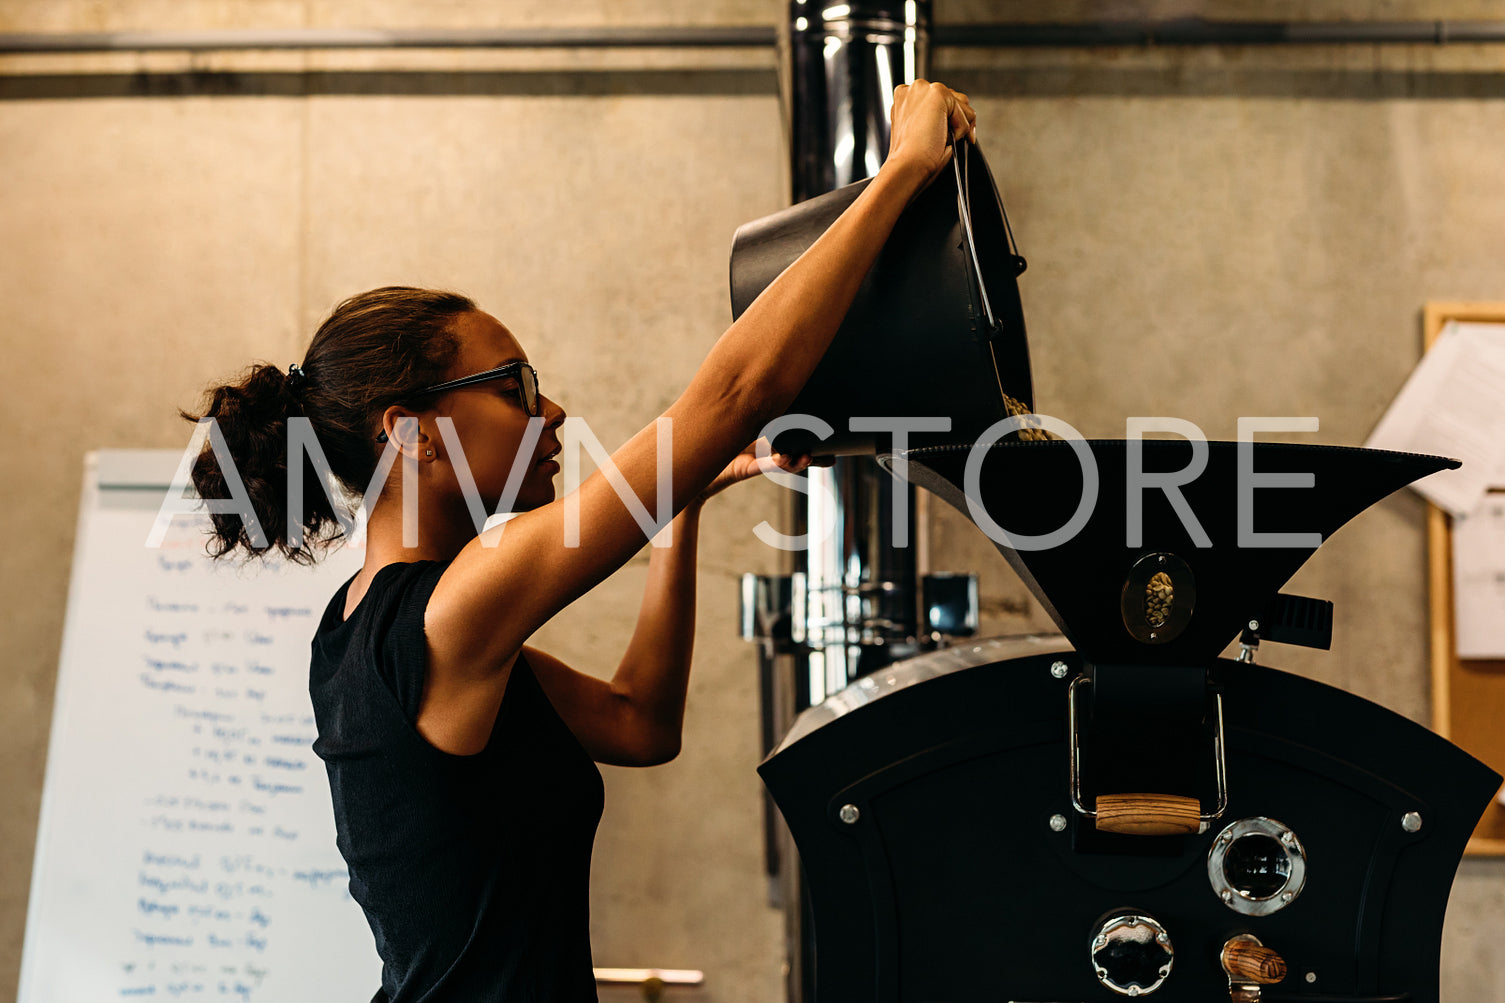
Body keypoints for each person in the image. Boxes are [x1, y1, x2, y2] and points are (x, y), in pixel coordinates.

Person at [184, 81, 977, 1002]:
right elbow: (733, 395)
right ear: (413, 431)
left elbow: (640, 722)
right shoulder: (458, 604)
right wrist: (904, 170)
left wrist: (676, 516)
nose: (550, 409)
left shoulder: (369, 628)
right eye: (515, 384)